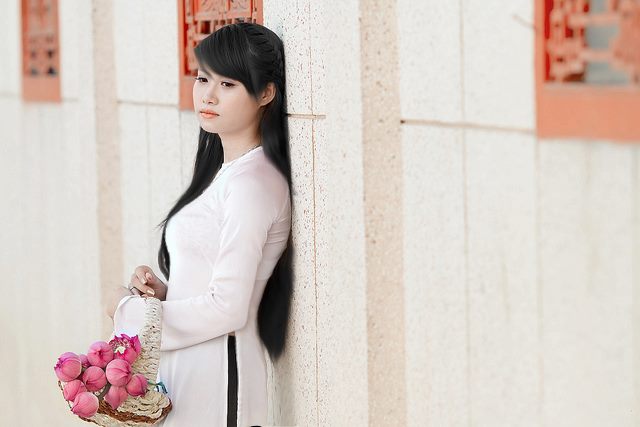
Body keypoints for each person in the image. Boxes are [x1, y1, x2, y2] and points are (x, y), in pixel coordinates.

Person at [104, 22, 293, 427]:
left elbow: (229, 307)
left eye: (228, 84)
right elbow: (215, 283)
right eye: (203, 78)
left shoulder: (252, 184)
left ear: (265, 93)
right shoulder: (225, 174)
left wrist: (129, 313)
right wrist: (165, 294)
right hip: (189, 373)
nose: (208, 95)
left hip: (220, 381)